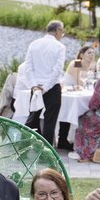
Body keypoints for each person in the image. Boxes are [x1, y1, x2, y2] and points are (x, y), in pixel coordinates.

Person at [24, 21, 68, 149]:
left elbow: (28, 67)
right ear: (58, 30)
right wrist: (46, 87)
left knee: (33, 118)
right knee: (50, 120)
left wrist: (34, 85)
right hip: (52, 87)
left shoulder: (34, 44)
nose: (62, 34)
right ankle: (46, 149)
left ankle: (25, 145)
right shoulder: (60, 47)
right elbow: (57, 70)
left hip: (36, 86)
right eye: (62, 32)